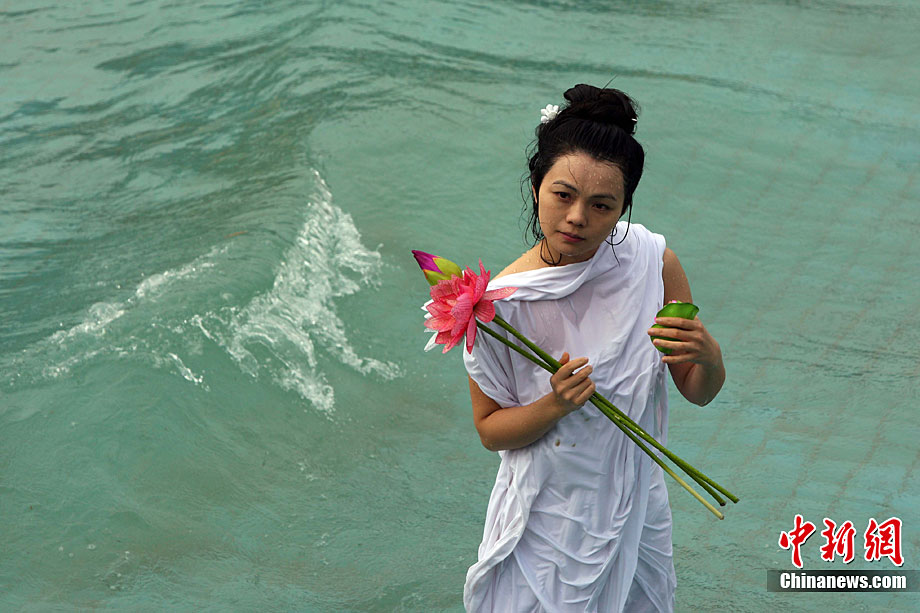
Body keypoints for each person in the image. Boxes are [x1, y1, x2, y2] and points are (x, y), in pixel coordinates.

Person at [461, 84, 726, 612]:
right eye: (563, 195)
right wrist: (554, 405)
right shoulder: (500, 305)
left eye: (602, 205)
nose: (578, 217)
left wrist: (709, 356)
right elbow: (490, 430)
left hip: (636, 501)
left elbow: (697, 391)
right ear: (536, 185)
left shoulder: (653, 264)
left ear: (624, 207)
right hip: (547, 515)